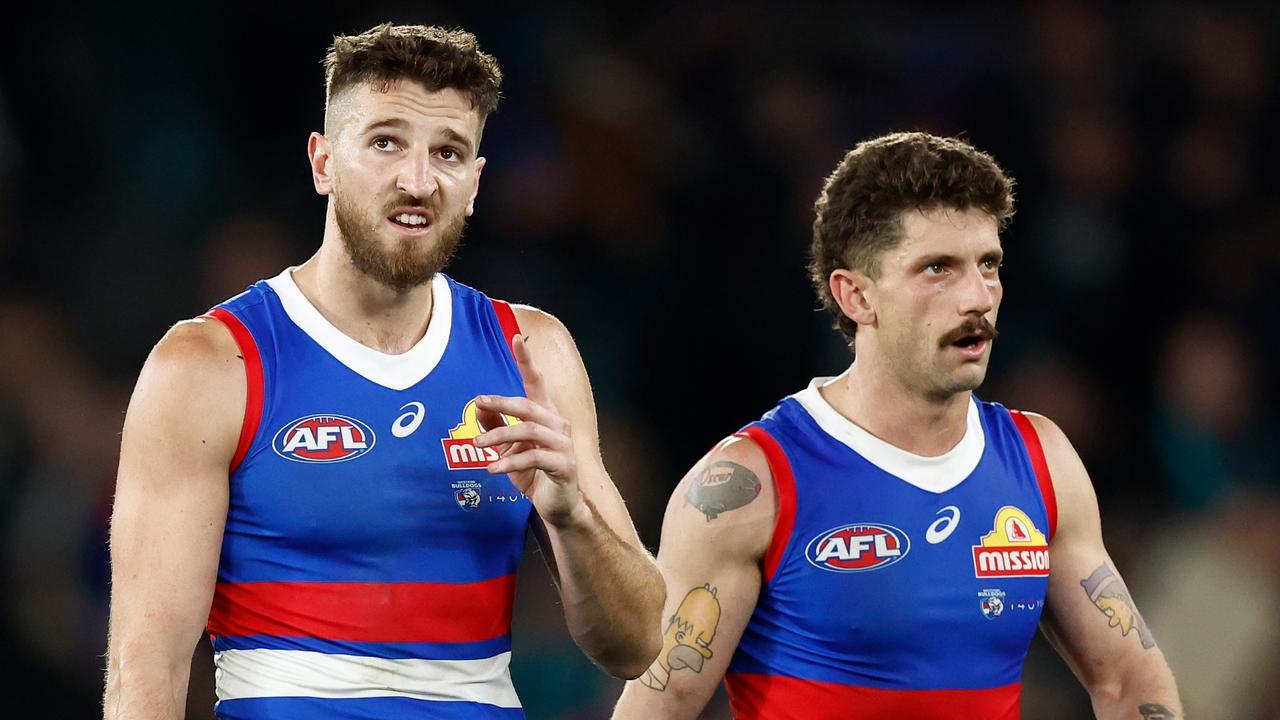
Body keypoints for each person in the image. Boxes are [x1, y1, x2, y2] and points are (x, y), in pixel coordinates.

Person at [103, 23, 663, 720]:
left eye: (449, 152)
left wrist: (573, 515)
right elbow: (144, 677)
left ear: (476, 183)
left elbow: (637, 646)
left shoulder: (531, 352)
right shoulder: (212, 365)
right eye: (386, 142)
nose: (418, 181)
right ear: (324, 162)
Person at [612, 132, 1182, 719]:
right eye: (939, 269)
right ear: (856, 296)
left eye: (989, 265)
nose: (978, 298)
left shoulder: (1041, 462)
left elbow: (1130, 679)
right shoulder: (751, 484)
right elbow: (660, 705)